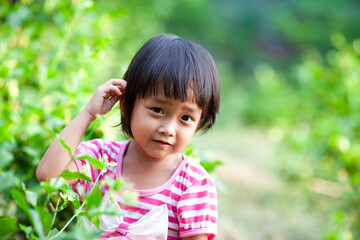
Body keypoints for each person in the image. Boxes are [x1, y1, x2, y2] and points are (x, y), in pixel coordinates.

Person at [36, 33, 220, 240]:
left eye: (186, 117)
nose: (169, 129)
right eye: (157, 110)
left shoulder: (193, 184)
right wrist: (88, 114)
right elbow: (48, 176)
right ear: (126, 105)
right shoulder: (101, 160)